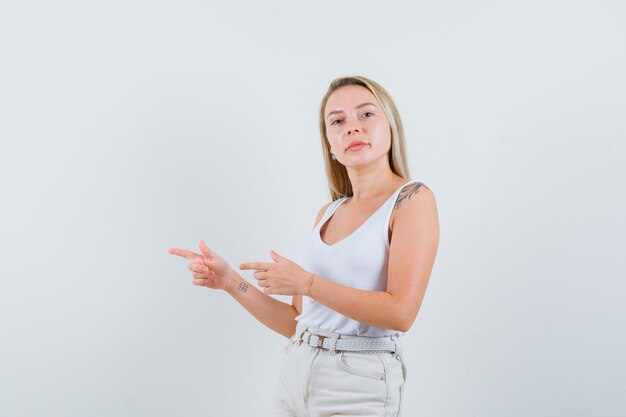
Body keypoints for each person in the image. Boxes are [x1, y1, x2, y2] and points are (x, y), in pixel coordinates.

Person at [168, 75, 439, 416]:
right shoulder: (329, 213)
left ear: (390, 126)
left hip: (359, 382)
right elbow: (298, 322)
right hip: (297, 372)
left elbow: (401, 314)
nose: (352, 128)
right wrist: (230, 283)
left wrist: (307, 283)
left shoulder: (412, 200)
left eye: (366, 115)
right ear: (330, 144)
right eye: (338, 121)